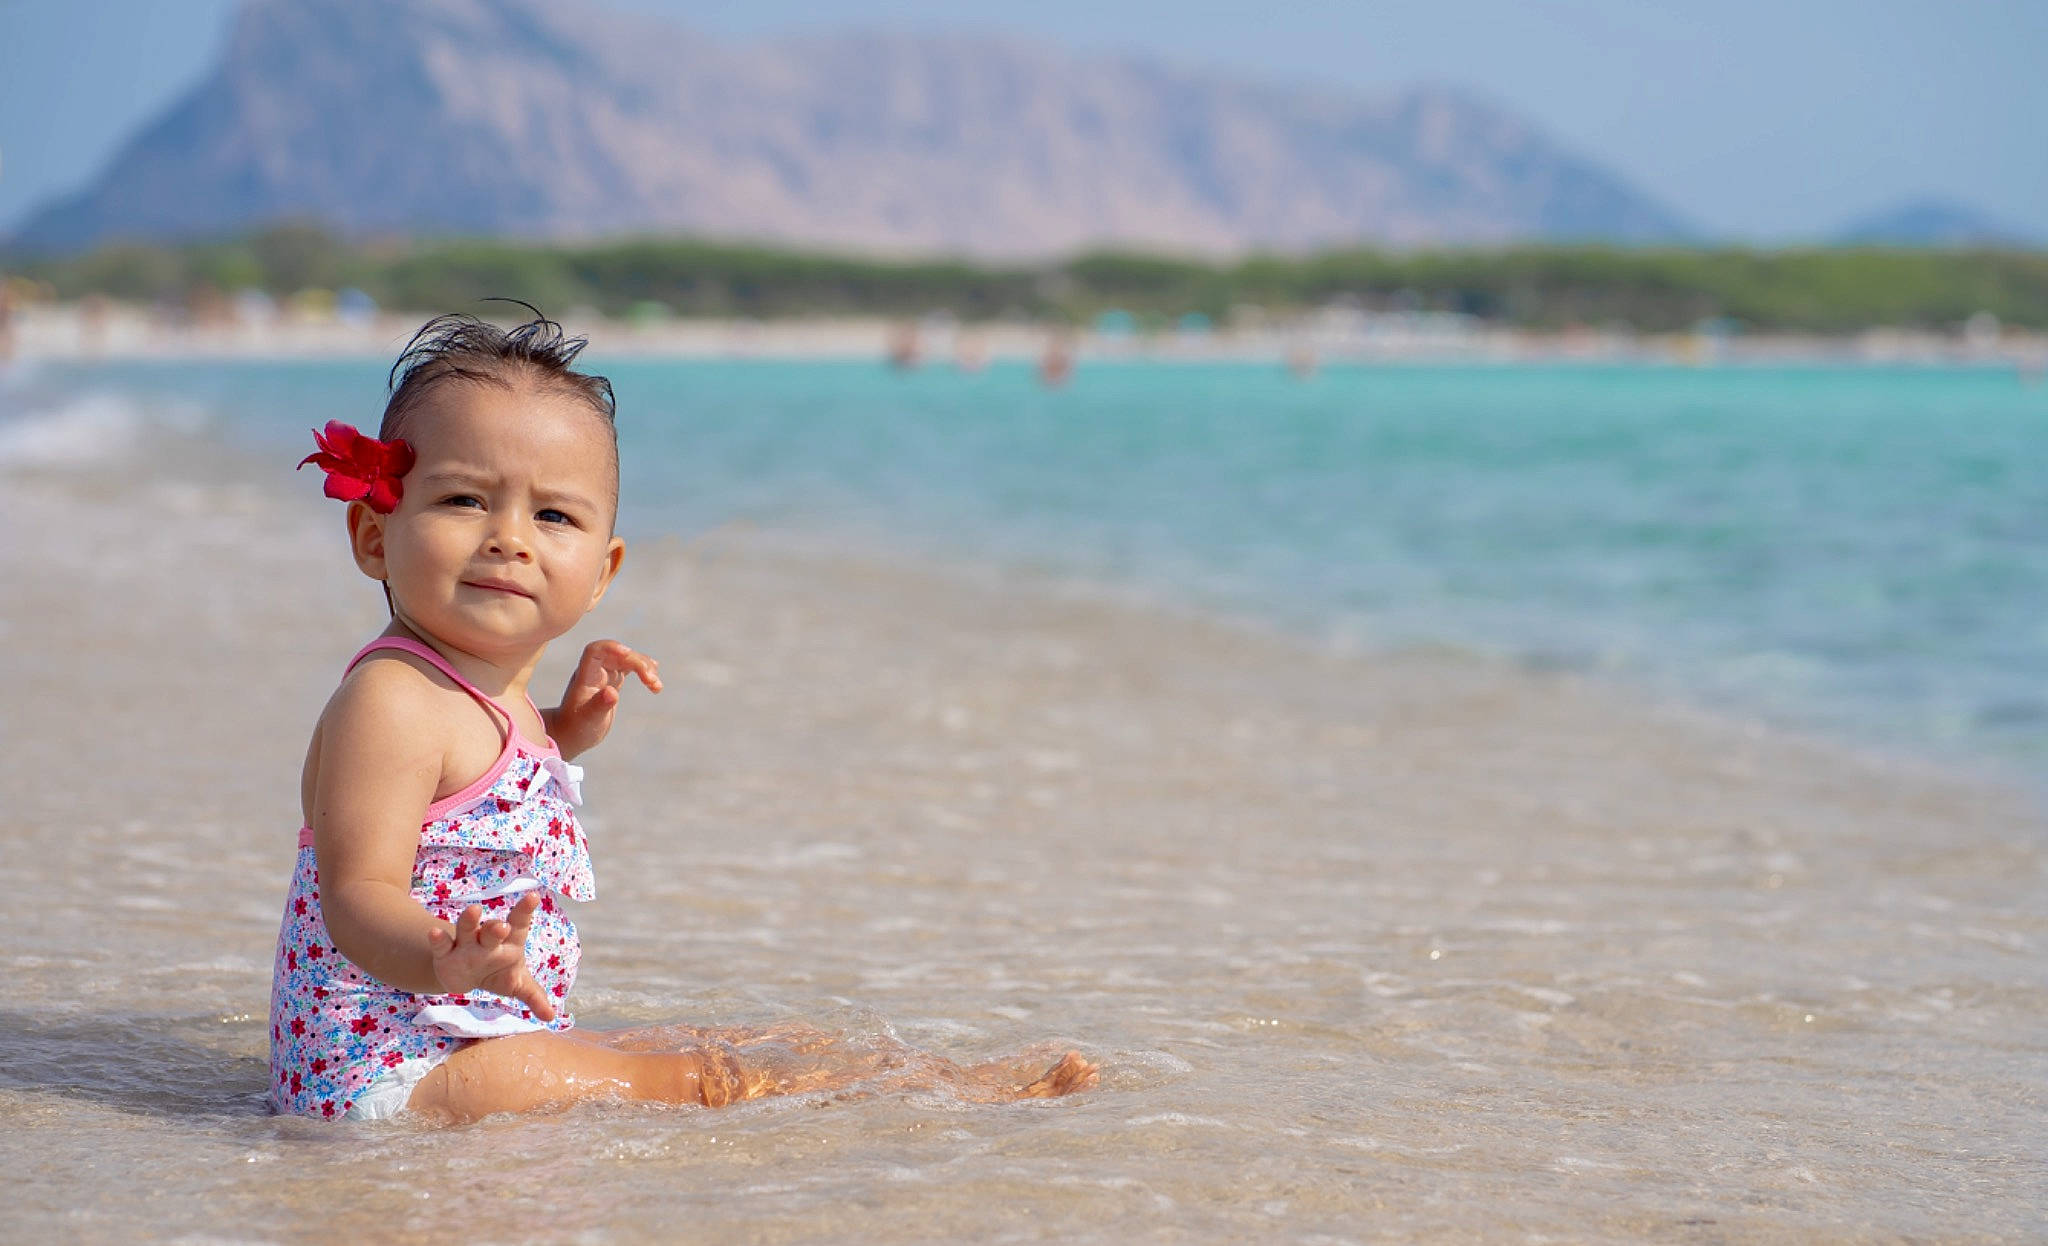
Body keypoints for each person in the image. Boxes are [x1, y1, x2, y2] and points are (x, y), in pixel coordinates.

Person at [271, 308, 1098, 1123]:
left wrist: (565, 726)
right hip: (387, 1066)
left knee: (730, 1039)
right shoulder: (390, 701)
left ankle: (925, 1075)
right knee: (698, 1080)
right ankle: (964, 1101)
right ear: (376, 536)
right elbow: (359, 891)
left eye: (552, 515)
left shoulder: (481, 690)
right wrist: (440, 957)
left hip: (465, 1029)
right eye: (463, 499)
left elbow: (472, 782)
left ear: (601, 572)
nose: (510, 539)